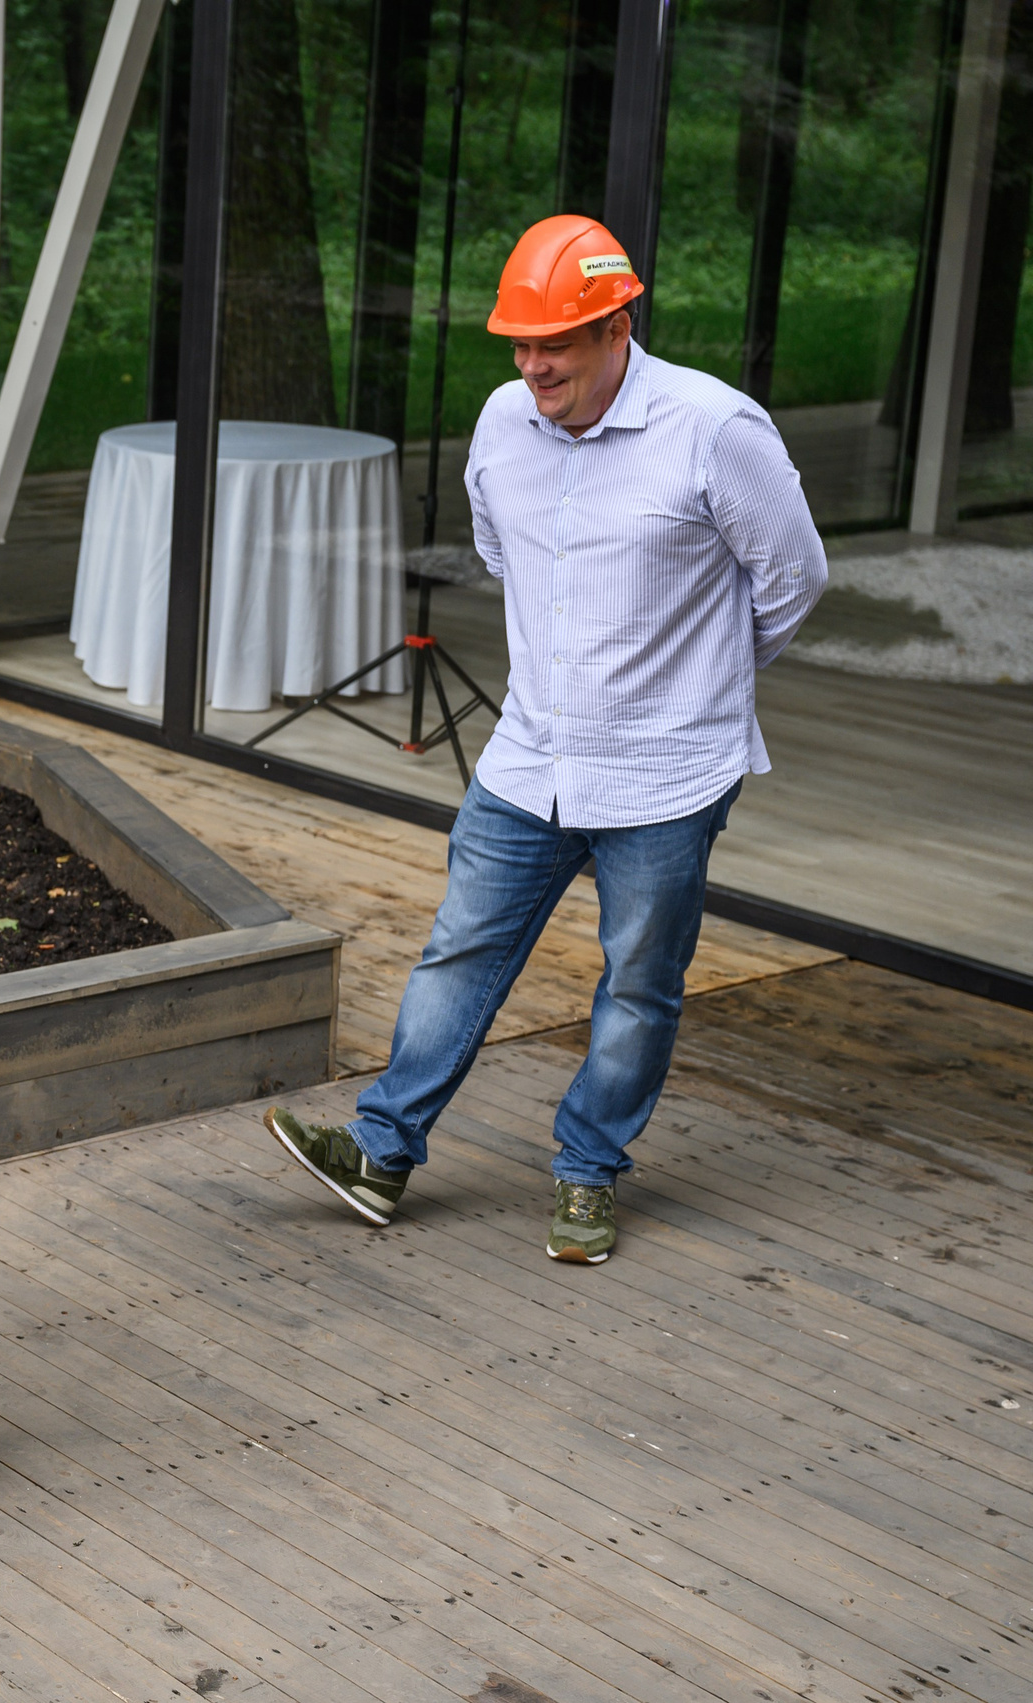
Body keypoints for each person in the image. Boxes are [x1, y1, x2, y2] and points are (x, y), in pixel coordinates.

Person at [265, 214, 826, 1264]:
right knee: (460, 949)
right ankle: (380, 1156)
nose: (530, 367)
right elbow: (502, 549)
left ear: (618, 325)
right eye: (517, 345)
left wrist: (698, 680)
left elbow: (794, 579)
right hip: (529, 756)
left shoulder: (714, 430)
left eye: (552, 345)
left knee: (638, 979)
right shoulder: (500, 423)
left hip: (668, 771)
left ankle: (585, 1172)